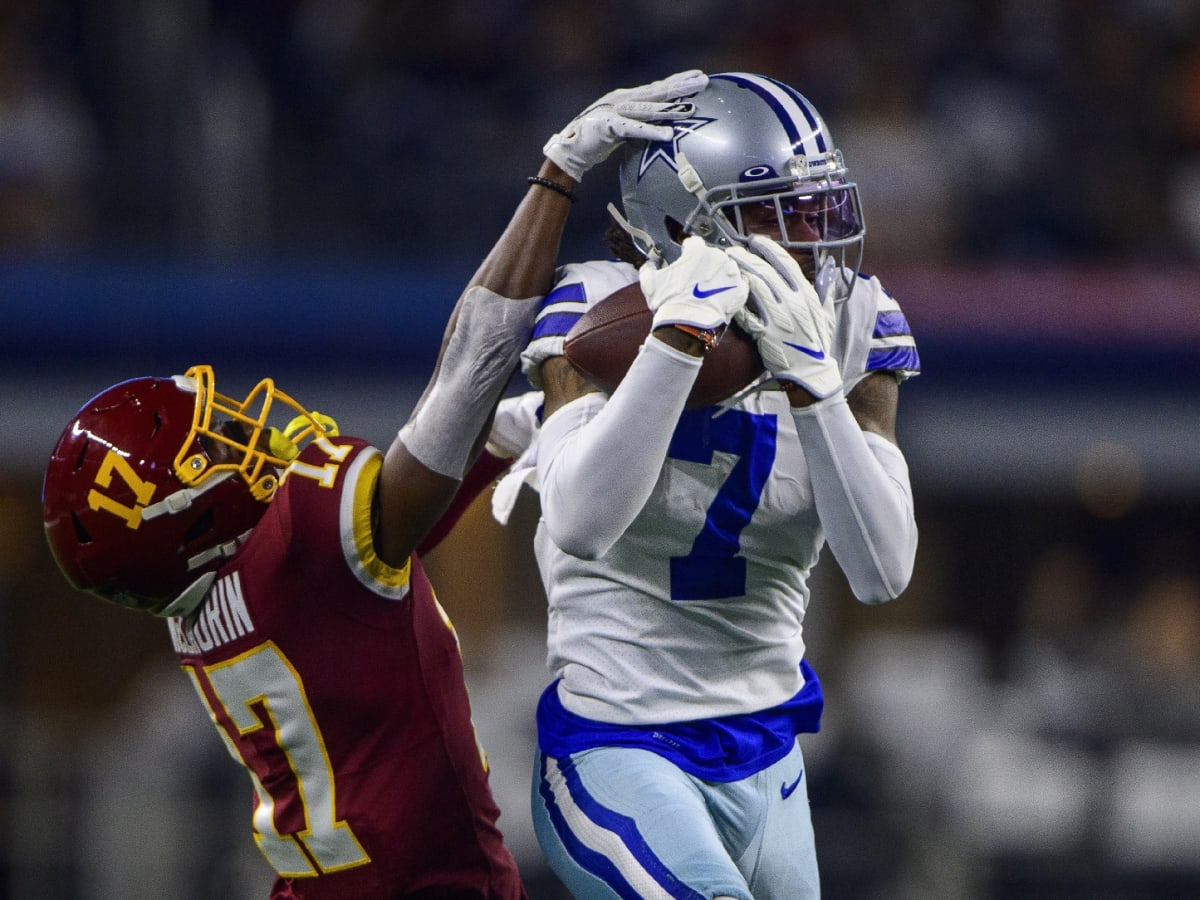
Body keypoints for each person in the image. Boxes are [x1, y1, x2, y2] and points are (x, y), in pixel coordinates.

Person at [39, 69, 709, 900]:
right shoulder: (303, 545)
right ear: (184, 522)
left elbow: (400, 533)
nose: (243, 433)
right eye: (212, 445)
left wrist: (538, 422)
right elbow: (468, 371)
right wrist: (558, 173)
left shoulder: (227, 591)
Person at [491, 71, 922, 899]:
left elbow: (881, 571)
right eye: (773, 213)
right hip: (618, 741)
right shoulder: (596, 306)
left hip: (770, 758)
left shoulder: (856, 322)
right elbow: (579, 520)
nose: (810, 238)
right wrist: (676, 340)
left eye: (816, 207)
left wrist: (814, 387)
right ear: (678, 222)